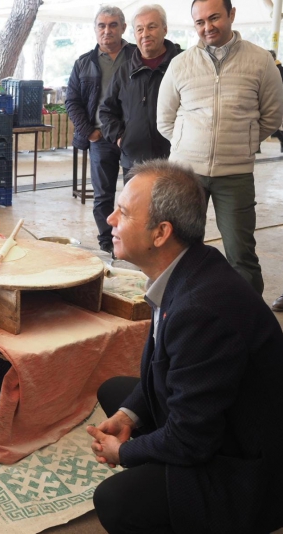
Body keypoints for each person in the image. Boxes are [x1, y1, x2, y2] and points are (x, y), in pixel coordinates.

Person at [87, 159, 283, 533]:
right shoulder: (189, 265)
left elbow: (192, 438)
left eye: (124, 213)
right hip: (221, 421)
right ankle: (158, 461)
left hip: (249, 465)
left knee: (115, 501)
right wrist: (129, 418)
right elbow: (165, 367)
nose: (111, 220)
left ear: (160, 233)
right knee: (118, 394)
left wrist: (124, 452)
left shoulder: (201, 310)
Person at [156, 0, 283, 294]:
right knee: (180, 250)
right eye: (199, 22)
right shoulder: (181, 64)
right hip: (186, 176)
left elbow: (272, 115)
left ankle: (248, 328)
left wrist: (244, 142)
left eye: (214, 18)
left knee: (241, 254)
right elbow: (164, 120)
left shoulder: (260, 61)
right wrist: (188, 145)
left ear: (231, 15)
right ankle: (180, 313)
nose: (207, 27)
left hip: (234, 174)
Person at [66, 5, 135, 256]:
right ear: (95, 29)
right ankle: (107, 240)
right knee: (103, 194)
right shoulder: (84, 63)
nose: (107, 30)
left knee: (135, 194)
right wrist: (90, 132)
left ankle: (131, 239)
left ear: (124, 28)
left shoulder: (137, 57)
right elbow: (72, 101)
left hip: (131, 138)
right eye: (102, 26)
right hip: (100, 138)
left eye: (113, 25)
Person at [99, 5, 178, 176]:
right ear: (134, 34)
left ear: (165, 29)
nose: (145, 34)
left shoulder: (181, 64)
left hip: (175, 161)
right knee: (136, 204)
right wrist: (121, 138)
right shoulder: (124, 71)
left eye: (152, 27)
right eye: (140, 29)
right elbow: (106, 111)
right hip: (134, 162)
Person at [267, 49, 283, 153]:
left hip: (277, 101)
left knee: (275, 125)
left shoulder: (279, 69)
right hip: (269, 100)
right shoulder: (268, 69)